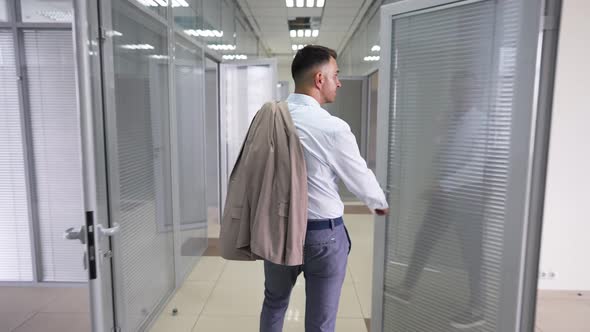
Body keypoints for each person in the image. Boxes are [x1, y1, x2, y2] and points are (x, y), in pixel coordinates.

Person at [259, 45, 389, 332]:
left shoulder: (268, 119)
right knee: (320, 321)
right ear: (320, 79)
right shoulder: (332, 127)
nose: (339, 82)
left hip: (279, 230)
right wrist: (381, 205)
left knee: (274, 302)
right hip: (321, 235)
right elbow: (360, 179)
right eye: (335, 75)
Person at [391, 72, 489, 329]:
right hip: (445, 195)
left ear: (476, 92)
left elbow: (478, 165)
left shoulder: (482, 122)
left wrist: (443, 184)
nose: (461, 95)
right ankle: (406, 287)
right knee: (424, 240)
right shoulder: (453, 120)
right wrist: (441, 130)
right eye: (457, 90)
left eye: (467, 90)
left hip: (468, 196)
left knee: (471, 252)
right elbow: (442, 152)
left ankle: (478, 307)